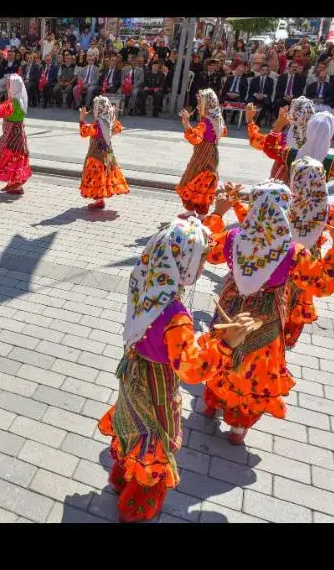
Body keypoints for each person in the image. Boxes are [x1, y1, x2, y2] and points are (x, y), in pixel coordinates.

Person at [100, 216, 255, 522]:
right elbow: (192, 371)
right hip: (157, 383)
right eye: (200, 262)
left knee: (132, 425)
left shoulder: (147, 283)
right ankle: (136, 509)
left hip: (135, 374)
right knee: (155, 439)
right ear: (183, 263)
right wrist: (226, 344)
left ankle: (121, 478)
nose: (202, 269)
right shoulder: (175, 315)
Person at [201, 182, 334, 444]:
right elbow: (320, 284)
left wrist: (219, 213)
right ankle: (238, 430)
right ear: (285, 210)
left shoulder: (233, 237)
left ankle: (212, 403)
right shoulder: (292, 251)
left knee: (224, 353)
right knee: (253, 369)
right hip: (266, 319)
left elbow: (206, 249)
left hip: (230, 309)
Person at [284, 158, 334, 347]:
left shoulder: (281, 205)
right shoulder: (325, 211)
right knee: (297, 301)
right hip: (308, 264)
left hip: (279, 263)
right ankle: (285, 341)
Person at [246, 106, 334, 184]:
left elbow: (267, 148)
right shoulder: (332, 162)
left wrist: (277, 125)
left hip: (285, 202)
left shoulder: (288, 151)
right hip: (312, 213)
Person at [176, 88, 226, 215]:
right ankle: (198, 213)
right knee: (205, 184)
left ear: (206, 104)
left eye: (199, 103)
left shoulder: (206, 122)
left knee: (191, 180)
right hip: (212, 154)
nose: (198, 106)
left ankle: (193, 212)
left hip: (201, 156)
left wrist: (186, 124)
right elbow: (223, 132)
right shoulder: (218, 118)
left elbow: (195, 138)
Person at [0, 75, 31, 195]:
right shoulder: (20, 100)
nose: (7, 86)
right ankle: (13, 183)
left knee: (10, 158)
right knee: (16, 158)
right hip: (18, 133)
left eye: (9, 84)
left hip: (11, 135)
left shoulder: (12, 103)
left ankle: (16, 186)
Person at [78, 96, 129, 210]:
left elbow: (85, 132)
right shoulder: (109, 121)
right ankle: (100, 200)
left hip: (96, 154)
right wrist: (113, 115)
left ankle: (99, 201)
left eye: (96, 107)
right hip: (108, 152)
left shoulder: (98, 123)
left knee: (97, 175)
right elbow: (118, 128)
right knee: (106, 173)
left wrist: (82, 119)